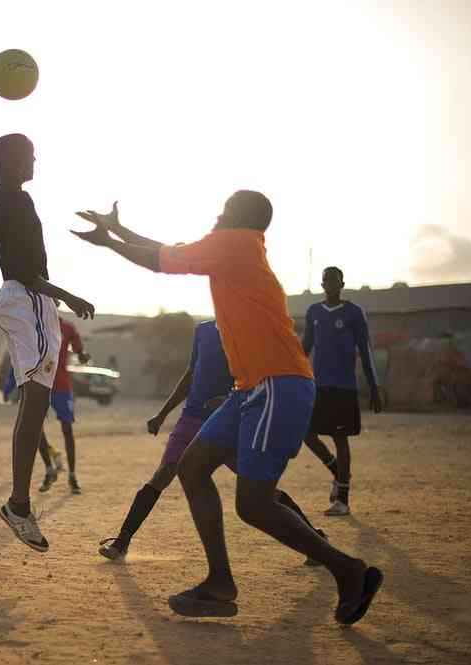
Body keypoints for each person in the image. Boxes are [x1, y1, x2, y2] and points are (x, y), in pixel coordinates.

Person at [74, 193, 382, 625]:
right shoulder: (234, 247)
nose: (217, 213)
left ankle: (348, 570)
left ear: (241, 218)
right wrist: (119, 231)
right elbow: (169, 251)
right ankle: (220, 583)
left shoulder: (234, 244)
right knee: (193, 466)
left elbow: (160, 260)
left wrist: (110, 242)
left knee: (253, 505)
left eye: (225, 208)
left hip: (278, 383)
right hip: (251, 388)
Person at [0, 134, 95, 553]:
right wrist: (67, 296)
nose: (35, 160)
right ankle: (18, 504)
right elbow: (22, 267)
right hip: (29, 298)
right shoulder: (16, 202)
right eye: (30, 156)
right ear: (13, 161)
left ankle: (20, 502)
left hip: (22, 300)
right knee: (35, 404)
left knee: (33, 404)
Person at [98, 320, 326, 566]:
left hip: (229, 420)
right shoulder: (203, 330)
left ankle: (315, 542)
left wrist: (230, 400)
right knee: (163, 474)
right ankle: (121, 542)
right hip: (192, 417)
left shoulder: (247, 329)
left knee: (262, 490)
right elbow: (191, 373)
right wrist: (162, 414)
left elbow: (258, 376)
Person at [302, 267, 382, 516]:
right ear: (322, 284)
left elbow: (365, 350)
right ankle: (337, 470)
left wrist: (374, 387)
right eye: (327, 281)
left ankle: (343, 500)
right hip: (319, 387)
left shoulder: (354, 313)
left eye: (335, 281)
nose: (331, 285)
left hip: (344, 388)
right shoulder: (314, 312)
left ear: (342, 284)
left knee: (340, 439)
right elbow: (304, 347)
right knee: (306, 433)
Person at [38, 317, 90, 494]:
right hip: (39, 383)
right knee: (36, 428)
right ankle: (49, 469)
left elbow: (79, 351)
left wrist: (82, 356)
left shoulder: (67, 327)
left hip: (61, 385)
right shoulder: (35, 323)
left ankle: (72, 475)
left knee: (67, 429)